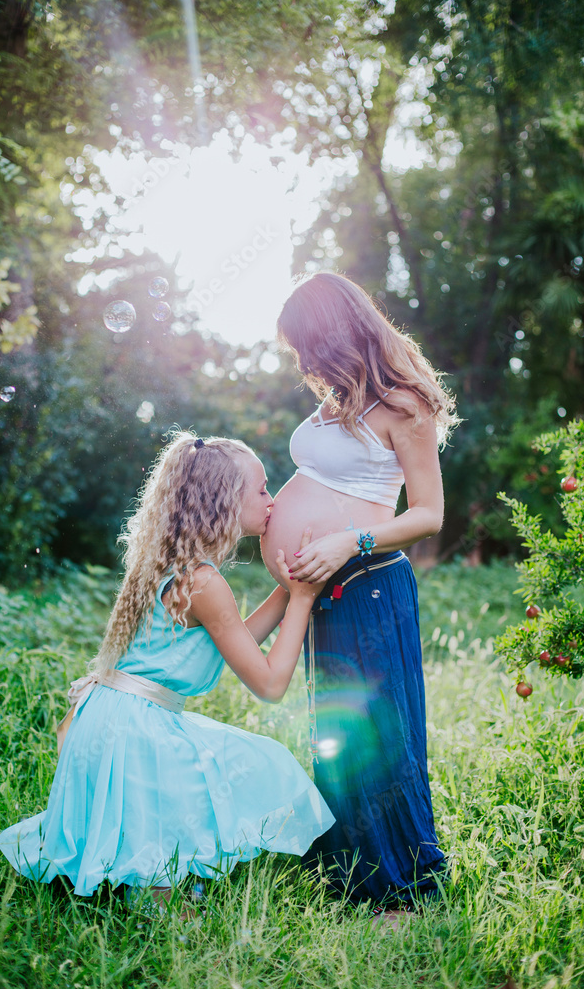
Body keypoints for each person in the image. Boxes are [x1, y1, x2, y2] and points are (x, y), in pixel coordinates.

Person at [0, 432, 335, 917]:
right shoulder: (204, 583)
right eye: (262, 489)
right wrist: (303, 599)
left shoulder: (172, 566)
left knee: (211, 773)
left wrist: (287, 590)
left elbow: (234, 637)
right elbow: (269, 683)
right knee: (266, 762)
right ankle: (157, 892)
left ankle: (152, 881)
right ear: (225, 501)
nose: (272, 500)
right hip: (135, 733)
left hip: (107, 721)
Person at [260, 271, 459, 924]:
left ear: (333, 333)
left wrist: (351, 538)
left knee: (381, 732)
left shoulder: (405, 405)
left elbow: (428, 514)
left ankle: (400, 885)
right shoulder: (336, 402)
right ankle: (349, 870)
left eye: (303, 345)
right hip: (327, 591)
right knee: (338, 732)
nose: (301, 362)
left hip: (372, 584)